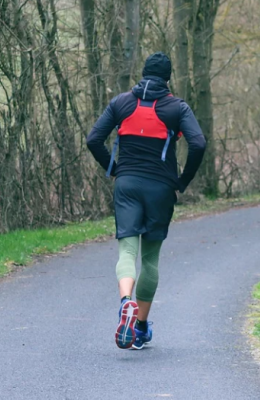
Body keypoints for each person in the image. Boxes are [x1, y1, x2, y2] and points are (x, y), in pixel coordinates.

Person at [86, 52, 206, 349]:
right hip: (161, 189)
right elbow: (198, 143)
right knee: (150, 258)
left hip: (126, 184)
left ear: (142, 74)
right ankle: (139, 327)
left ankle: (125, 301)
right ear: (168, 79)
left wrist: (113, 169)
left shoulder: (122, 102)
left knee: (127, 250)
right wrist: (183, 181)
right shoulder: (177, 107)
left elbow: (93, 139)